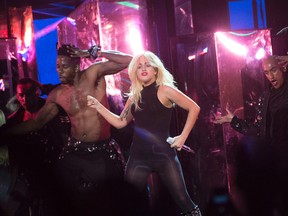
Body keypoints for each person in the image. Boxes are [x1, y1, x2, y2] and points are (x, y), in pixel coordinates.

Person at [0, 44, 133, 216]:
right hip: (74, 152)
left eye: (64, 67)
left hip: (102, 152)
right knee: (59, 201)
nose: (59, 71)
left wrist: (92, 53)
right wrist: (4, 132)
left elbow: (128, 60)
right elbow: (35, 123)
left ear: (76, 67)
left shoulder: (94, 74)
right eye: (57, 67)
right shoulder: (57, 94)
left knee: (109, 204)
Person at [87, 51, 201, 216]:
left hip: (164, 156)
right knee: (126, 203)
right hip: (138, 157)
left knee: (184, 200)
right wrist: (98, 106)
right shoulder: (135, 97)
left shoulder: (165, 90)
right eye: (139, 66)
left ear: (155, 69)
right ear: (135, 72)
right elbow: (120, 122)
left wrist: (182, 137)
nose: (143, 68)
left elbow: (194, 108)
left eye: (147, 65)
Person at [1, 77, 70, 216]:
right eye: (21, 95)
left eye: (29, 93)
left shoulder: (53, 110)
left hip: (55, 173)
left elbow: (66, 89)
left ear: (37, 92)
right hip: (27, 177)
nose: (25, 99)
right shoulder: (14, 120)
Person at [213, 55, 288, 143]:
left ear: (283, 68)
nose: (271, 76)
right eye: (266, 73)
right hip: (277, 152)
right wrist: (234, 120)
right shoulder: (265, 98)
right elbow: (259, 130)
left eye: (273, 70)